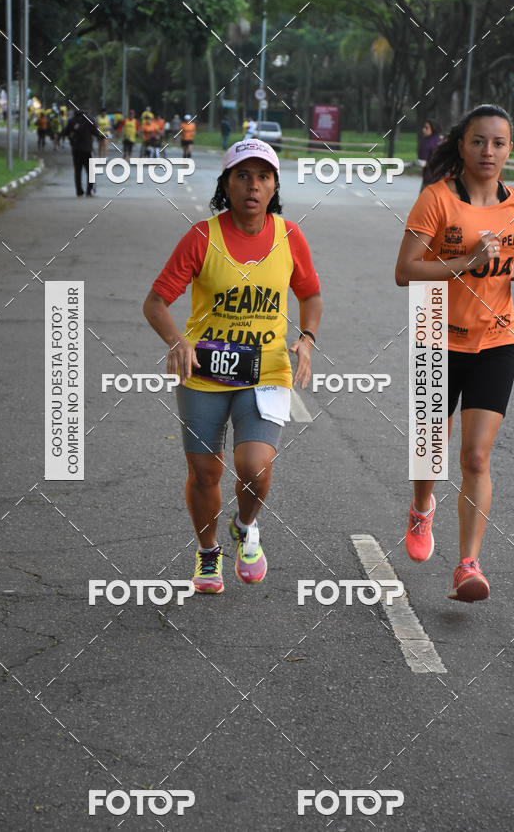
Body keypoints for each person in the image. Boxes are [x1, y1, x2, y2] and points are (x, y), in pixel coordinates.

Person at [143, 138, 322, 594]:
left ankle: (245, 525)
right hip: (203, 372)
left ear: (274, 185)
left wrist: (306, 338)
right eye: (243, 175)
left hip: (266, 371)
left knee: (255, 466)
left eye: (263, 177)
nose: (253, 186)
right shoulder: (203, 237)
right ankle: (207, 555)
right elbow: (156, 301)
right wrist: (177, 340)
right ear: (226, 183)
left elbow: (311, 293)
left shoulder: (289, 237)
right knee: (205, 471)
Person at [395, 104, 514, 602]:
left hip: (497, 340)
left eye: (498, 143)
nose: (488, 151)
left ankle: (468, 565)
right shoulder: (436, 200)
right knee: (430, 451)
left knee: (476, 456)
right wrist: (467, 261)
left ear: (510, 151)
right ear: (462, 144)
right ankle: (421, 507)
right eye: (479, 141)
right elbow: (404, 270)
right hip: (436, 330)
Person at [63, 107, 99, 197]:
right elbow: (96, 132)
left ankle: (79, 191)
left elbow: (66, 132)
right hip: (87, 149)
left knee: (78, 171)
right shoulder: (90, 119)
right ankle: (89, 191)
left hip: (76, 149)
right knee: (90, 171)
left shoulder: (72, 120)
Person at [417, 119, 443, 189]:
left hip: (430, 179)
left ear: (433, 129)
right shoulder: (443, 140)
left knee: (424, 199)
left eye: (426, 128)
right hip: (444, 180)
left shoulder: (427, 144)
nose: (423, 130)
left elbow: (422, 163)